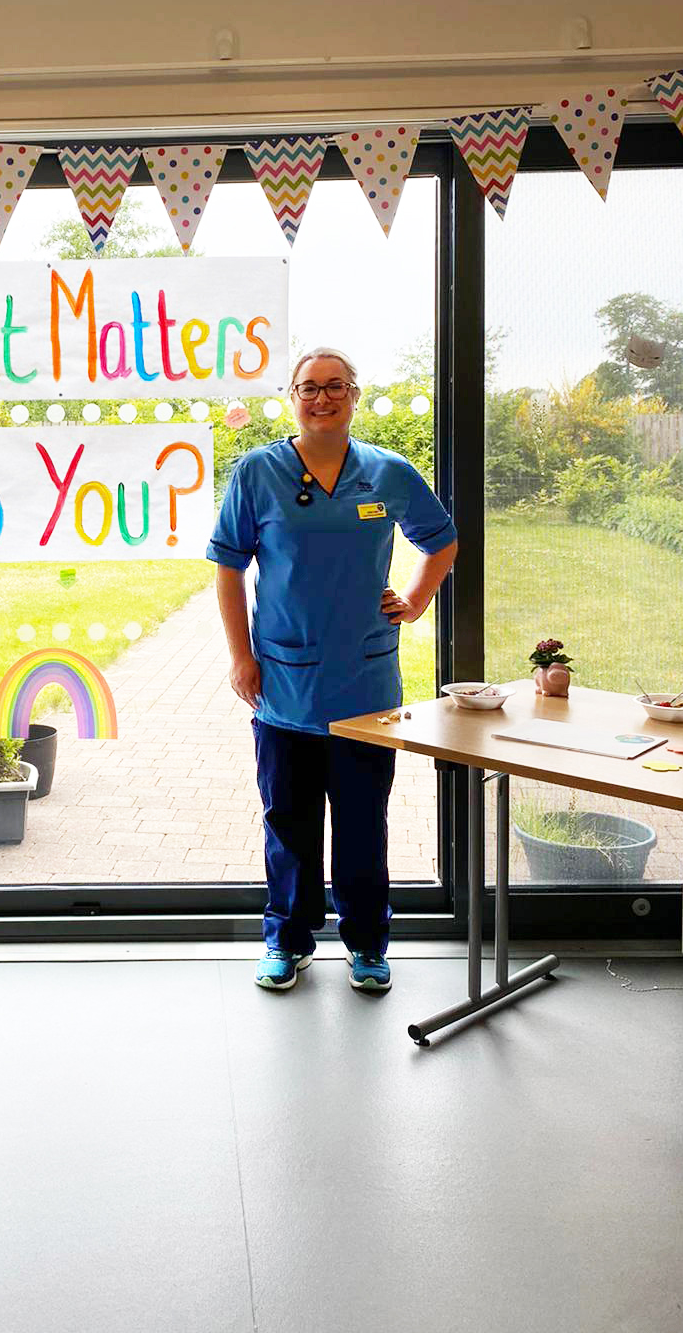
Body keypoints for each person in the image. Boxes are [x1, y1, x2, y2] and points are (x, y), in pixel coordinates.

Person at [207, 347, 458, 993]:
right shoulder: (258, 472)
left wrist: (415, 599)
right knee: (288, 823)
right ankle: (287, 941)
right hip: (284, 681)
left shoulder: (387, 473)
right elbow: (229, 569)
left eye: (335, 387)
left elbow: (441, 539)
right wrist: (241, 655)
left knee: (360, 824)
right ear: (292, 396)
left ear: (355, 394)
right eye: (309, 388)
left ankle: (368, 942)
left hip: (365, 683)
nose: (322, 398)